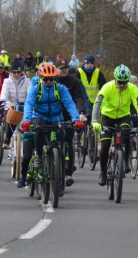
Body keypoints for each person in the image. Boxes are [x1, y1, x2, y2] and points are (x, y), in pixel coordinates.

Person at [18, 63, 83, 188]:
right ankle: (38, 156)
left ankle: (61, 171)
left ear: (55, 78)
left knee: (62, 146)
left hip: (56, 118)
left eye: (51, 79)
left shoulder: (60, 88)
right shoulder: (35, 89)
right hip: (39, 116)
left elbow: (69, 104)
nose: (48, 81)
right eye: (45, 79)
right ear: (41, 78)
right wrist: (26, 120)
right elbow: (29, 104)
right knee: (38, 130)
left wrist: (76, 119)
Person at [91, 64, 138, 186]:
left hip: (123, 116)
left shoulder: (132, 88)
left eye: (124, 83)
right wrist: (95, 121)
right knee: (105, 144)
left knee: (126, 134)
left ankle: (125, 161)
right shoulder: (107, 87)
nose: (122, 85)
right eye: (119, 82)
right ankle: (103, 172)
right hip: (107, 117)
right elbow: (97, 103)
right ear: (115, 80)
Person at [53, 58, 87, 187]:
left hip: (69, 117)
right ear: (55, 69)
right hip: (54, 117)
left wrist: (81, 113)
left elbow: (79, 98)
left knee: (69, 143)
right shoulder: (51, 81)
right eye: (61, 68)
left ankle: (69, 173)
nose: (64, 70)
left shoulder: (74, 82)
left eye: (65, 68)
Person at [0, 61, 29, 149]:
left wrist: (29, 103)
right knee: (11, 118)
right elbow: (4, 93)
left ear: (21, 72)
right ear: (10, 72)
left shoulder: (27, 81)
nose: (16, 74)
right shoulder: (7, 81)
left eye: (18, 72)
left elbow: (30, 93)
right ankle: (7, 139)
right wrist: (3, 101)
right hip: (10, 105)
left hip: (24, 106)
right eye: (14, 72)